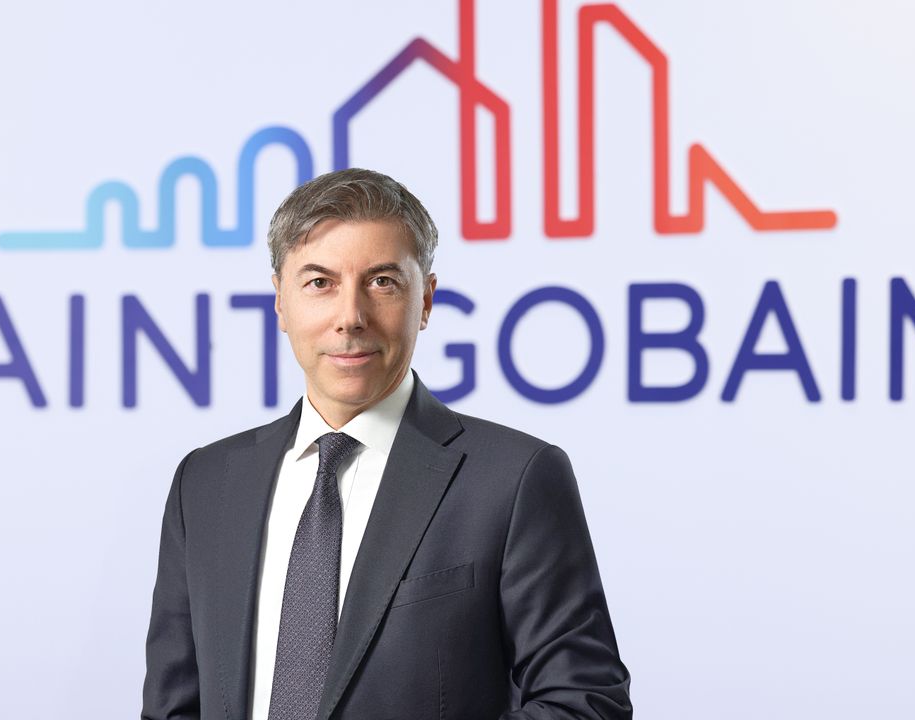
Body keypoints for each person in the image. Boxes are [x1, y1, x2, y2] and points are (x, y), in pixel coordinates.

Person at [142, 168, 631, 720]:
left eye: (382, 282)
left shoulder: (513, 480)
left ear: (426, 300)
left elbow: (584, 703)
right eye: (319, 283)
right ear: (280, 301)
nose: (350, 318)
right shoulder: (205, 484)